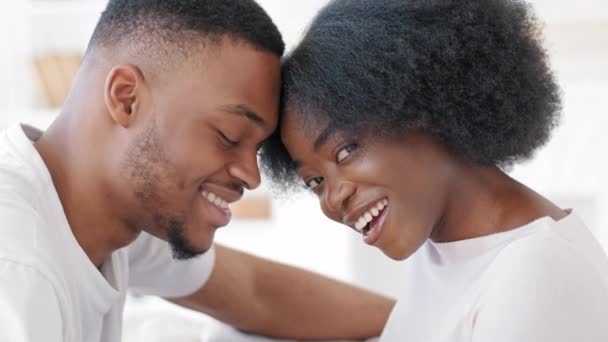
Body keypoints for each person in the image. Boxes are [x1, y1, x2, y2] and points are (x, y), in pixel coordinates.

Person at [0, 1, 395, 341]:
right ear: (127, 99)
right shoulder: (19, 269)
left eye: (256, 148)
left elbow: (257, 293)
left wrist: (437, 325)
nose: (251, 177)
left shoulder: (107, 216)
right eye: (229, 135)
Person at [259, 0, 608, 341]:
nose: (334, 198)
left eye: (346, 150)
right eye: (315, 182)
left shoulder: (534, 273)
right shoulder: (445, 248)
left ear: (421, 106)